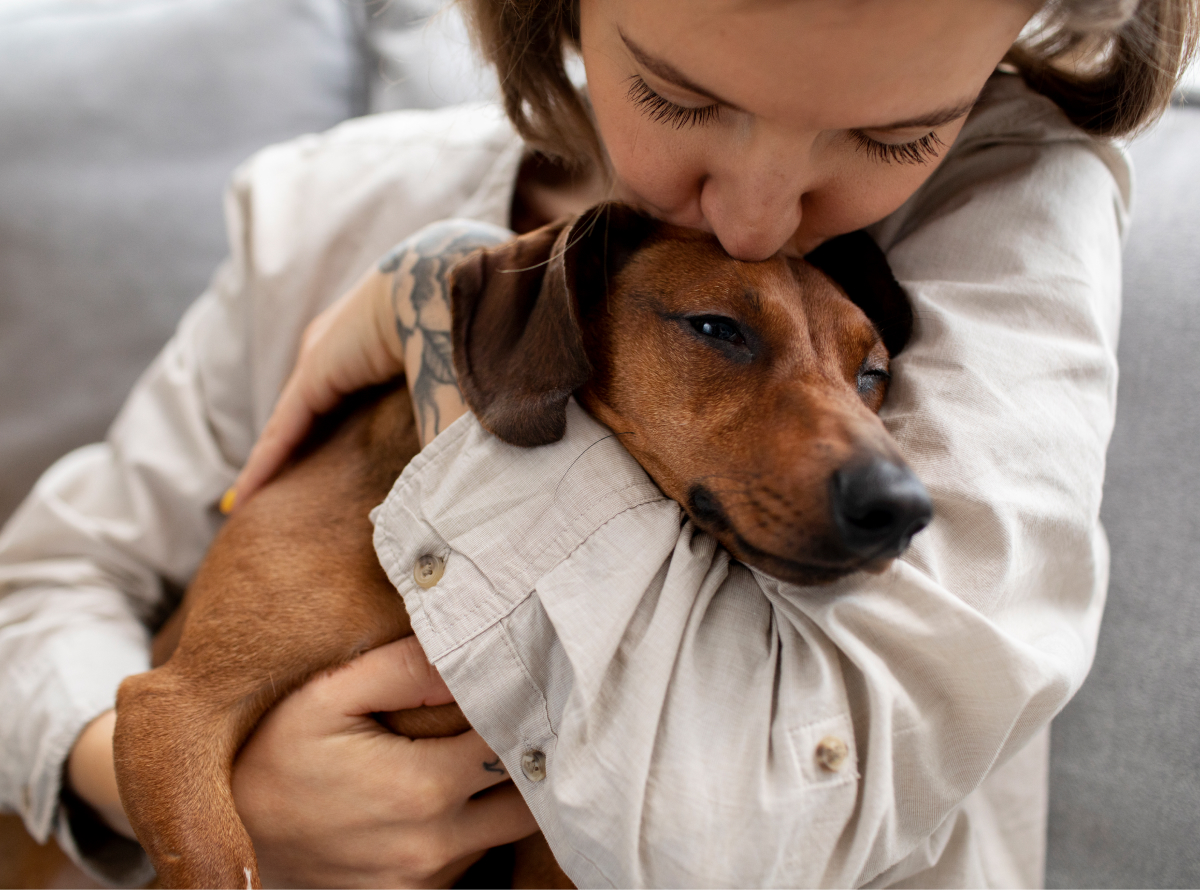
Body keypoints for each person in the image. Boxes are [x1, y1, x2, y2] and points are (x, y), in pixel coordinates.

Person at [1, 0, 1196, 886]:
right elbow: (47, 581)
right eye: (683, 98)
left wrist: (435, 316)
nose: (756, 212)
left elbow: (753, 825)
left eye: (893, 136)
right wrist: (164, 781)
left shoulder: (1010, 224)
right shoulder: (312, 212)